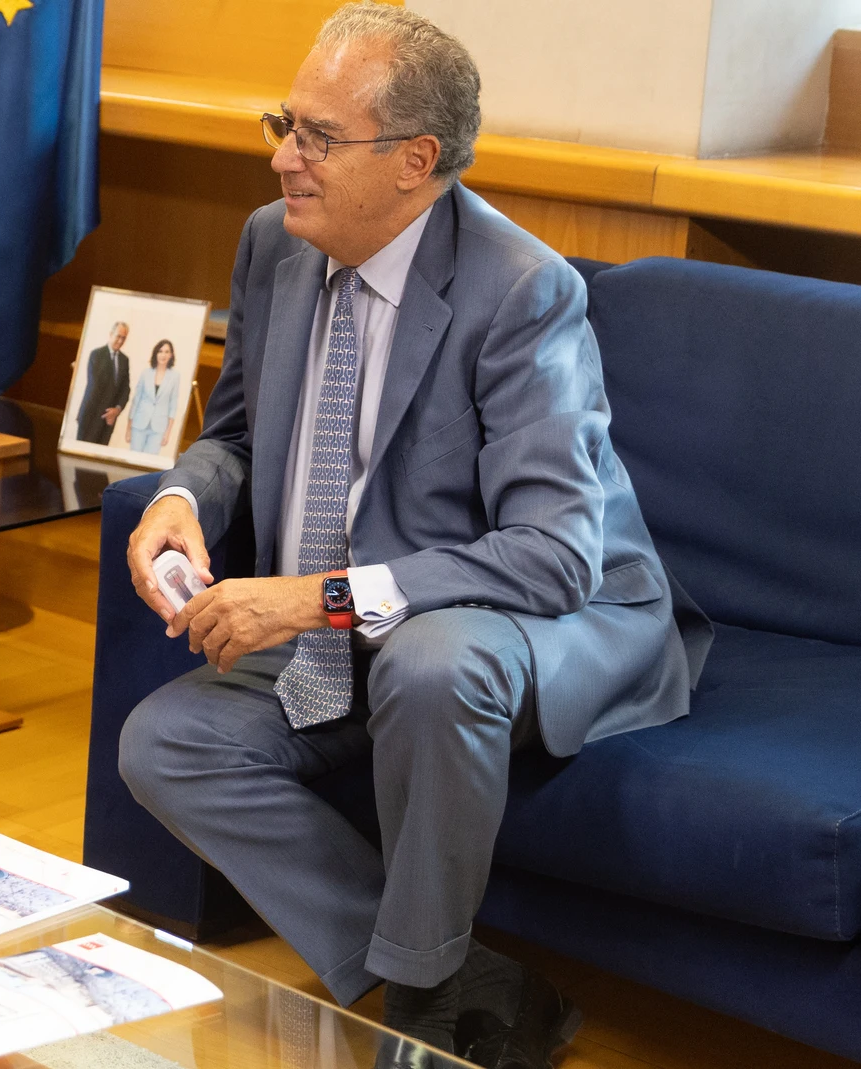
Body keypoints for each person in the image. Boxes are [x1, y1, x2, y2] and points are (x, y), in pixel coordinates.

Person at [115, 5, 711, 1068]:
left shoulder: (522, 292)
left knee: (434, 661)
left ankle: (426, 1006)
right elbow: (238, 433)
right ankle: (456, 977)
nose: (280, 156)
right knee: (165, 742)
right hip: (359, 625)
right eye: (281, 122)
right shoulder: (272, 243)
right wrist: (181, 498)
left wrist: (311, 598)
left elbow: (552, 554)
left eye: (314, 137)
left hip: (536, 617)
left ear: (414, 160)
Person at [74, 321, 132, 444]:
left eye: (124, 338)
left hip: (108, 423)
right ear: (111, 334)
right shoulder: (97, 354)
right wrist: (109, 412)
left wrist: (117, 410)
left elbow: (125, 389)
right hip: (91, 417)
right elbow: (97, 385)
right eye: (118, 336)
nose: (120, 341)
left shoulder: (124, 360)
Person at [128, 339, 182, 455]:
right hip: (139, 424)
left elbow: (173, 404)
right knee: (133, 457)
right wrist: (129, 427)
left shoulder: (175, 376)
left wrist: (168, 433)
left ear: (171, 355)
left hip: (159, 427)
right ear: (155, 353)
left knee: (149, 462)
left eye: (167, 352)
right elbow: (136, 400)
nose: (163, 355)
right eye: (160, 351)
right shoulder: (146, 373)